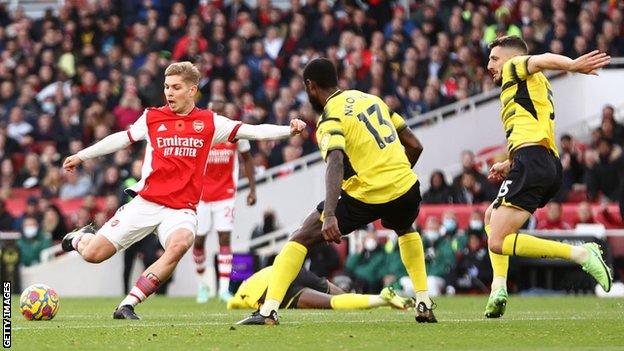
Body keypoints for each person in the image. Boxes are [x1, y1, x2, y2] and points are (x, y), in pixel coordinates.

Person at [61, 61, 306, 320]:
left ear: (192, 90)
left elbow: (252, 131)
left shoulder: (209, 122)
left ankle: (127, 304)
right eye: (166, 87)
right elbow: (122, 138)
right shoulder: (152, 117)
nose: (169, 93)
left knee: (180, 244)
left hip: (181, 209)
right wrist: (82, 155)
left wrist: (287, 131)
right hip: (146, 203)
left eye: (176, 87)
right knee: (93, 254)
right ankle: (77, 238)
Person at [238, 58, 435, 325]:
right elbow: (415, 144)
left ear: (310, 86)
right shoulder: (372, 99)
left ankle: (268, 310)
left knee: (301, 237)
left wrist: (330, 214)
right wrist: (394, 174)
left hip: (366, 194)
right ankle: (423, 301)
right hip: (406, 187)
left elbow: (335, 162)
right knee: (405, 229)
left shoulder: (331, 116)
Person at [483, 36, 612, 318]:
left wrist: (572, 65)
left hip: (534, 161)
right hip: (541, 161)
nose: (489, 65)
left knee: (496, 240)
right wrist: (510, 162)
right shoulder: (528, 86)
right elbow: (530, 128)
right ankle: (499, 287)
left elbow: (540, 59)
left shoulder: (515, 66)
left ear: (509, 57)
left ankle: (581, 253)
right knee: (491, 217)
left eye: (494, 58)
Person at [193, 99, 258, 303]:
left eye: (221, 111)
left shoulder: (234, 132)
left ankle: (222, 289)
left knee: (224, 239)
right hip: (201, 196)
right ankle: (203, 284)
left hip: (226, 194)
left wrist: (252, 189)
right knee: (199, 240)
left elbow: (247, 159)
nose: (217, 115)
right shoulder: (200, 132)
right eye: (214, 111)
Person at [227, 266, 414, 311]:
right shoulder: (258, 273)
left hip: (271, 291)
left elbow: (232, 304)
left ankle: (381, 299)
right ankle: (376, 300)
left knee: (331, 303)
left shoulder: (242, 294)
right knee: (334, 292)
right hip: (290, 269)